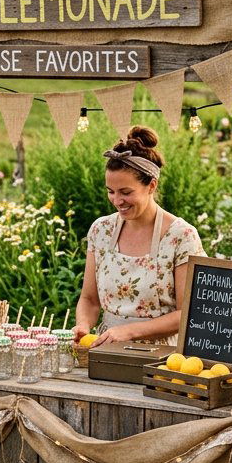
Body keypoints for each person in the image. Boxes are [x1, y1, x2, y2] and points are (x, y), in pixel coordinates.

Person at [73, 126, 204, 347]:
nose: (117, 201)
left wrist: (129, 332)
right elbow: (89, 299)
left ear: (151, 185)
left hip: (162, 355)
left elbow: (188, 313)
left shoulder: (181, 236)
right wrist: (83, 326)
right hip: (108, 349)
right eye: (110, 191)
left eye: (126, 192)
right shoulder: (101, 230)